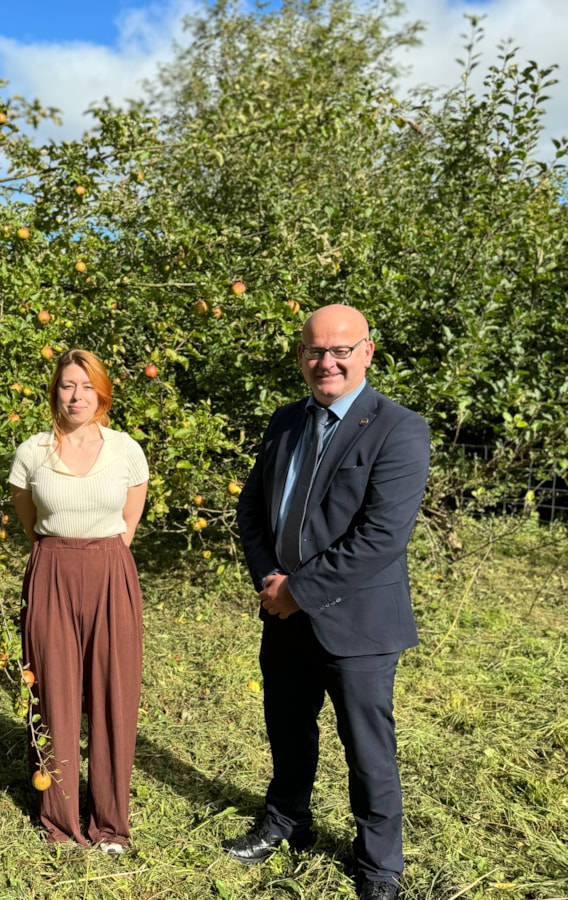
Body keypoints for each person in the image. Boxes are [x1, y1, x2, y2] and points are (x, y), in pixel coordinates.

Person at [227, 305, 430, 900]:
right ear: (301, 357)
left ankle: (379, 865)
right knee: (287, 727)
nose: (327, 362)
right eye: (316, 351)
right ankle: (287, 821)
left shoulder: (398, 428)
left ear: (367, 352)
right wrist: (270, 579)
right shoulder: (286, 421)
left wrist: (298, 591)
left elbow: (382, 536)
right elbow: (252, 509)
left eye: (341, 350)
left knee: (368, 749)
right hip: (283, 615)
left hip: (359, 621)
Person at [8, 349, 149, 854]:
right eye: (68, 385)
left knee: (114, 695)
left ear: (102, 393)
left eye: (87, 386)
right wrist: (63, 556)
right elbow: (31, 523)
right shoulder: (31, 453)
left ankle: (111, 824)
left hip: (112, 571)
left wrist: (98, 557)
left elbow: (128, 524)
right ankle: (61, 820)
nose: (76, 396)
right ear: (55, 392)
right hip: (51, 571)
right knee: (53, 696)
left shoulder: (126, 450)